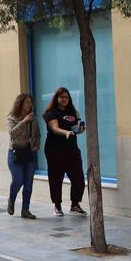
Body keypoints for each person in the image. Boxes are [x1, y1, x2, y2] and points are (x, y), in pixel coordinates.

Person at [42, 87, 86, 217]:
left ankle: (75, 204)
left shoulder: (72, 111)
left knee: (78, 178)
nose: (64, 99)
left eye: (66, 97)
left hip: (71, 149)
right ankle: (57, 205)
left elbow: (77, 127)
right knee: (56, 178)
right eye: (61, 97)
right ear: (56, 98)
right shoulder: (51, 113)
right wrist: (65, 132)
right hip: (54, 150)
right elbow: (54, 128)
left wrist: (80, 129)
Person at [5, 93, 39, 220]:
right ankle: (11, 199)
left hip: (30, 152)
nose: (29, 105)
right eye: (27, 103)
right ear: (20, 104)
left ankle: (25, 210)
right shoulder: (12, 118)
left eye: (31, 103)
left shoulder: (33, 118)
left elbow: (37, 134)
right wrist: (24, 121)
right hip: (15, 153)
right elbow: (12, 134)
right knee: (18, 179)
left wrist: (36, 145)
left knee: (28, 183)